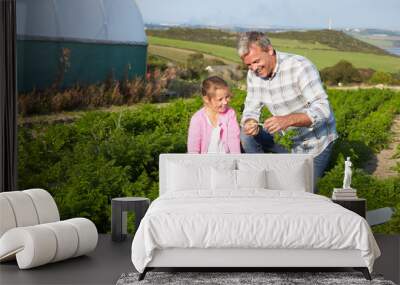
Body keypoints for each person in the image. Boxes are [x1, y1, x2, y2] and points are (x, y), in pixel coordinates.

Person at [237, 31, 338, 183]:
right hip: (285, 139)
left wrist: (288, 120)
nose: (253, 68)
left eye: (256, 61)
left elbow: (324, 109)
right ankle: (261, 178)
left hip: (313, 143)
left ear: (269, 50)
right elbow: (251, 107)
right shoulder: (253, 75)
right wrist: (249, 121)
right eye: (249, 65)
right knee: (246, 136)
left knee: (303, 189)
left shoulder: (300, 66)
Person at [187, 76, 241, 154]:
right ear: (206, 99)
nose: (225, 102)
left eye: (227, 97)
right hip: (204, 162)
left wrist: (236, 159)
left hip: (226, 160)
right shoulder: (197, 119)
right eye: (220, 99)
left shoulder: (230, 113)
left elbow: (234, 139)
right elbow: (193, 149)